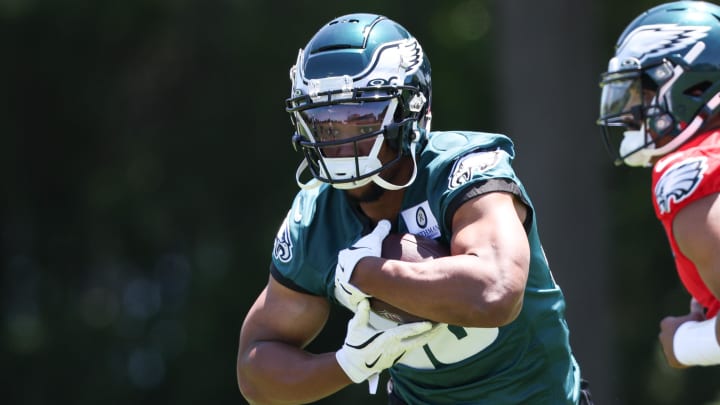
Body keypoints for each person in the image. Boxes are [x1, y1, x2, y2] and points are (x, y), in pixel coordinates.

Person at [237, 12, 592, 404]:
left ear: (412, 109)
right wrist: (350, 364)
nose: (339, 144)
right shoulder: (317, 215)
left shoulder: (462, 169)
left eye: (360, 118)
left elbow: (496, 291)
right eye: (324, 123)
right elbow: (255, 373)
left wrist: (367, 273)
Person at [597, 1, 720, 369]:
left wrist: (686, 344)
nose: (634, 111)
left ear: (692, 84)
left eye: (645, 93)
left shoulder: (691, 172)